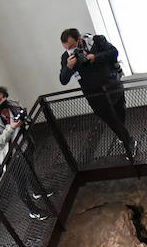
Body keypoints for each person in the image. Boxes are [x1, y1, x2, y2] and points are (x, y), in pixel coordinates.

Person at [58, 28, 139, 159]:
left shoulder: (97, 41)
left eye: (72, 46)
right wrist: (69, 67)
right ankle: (128, 141)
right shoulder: (66, 58)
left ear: (79, 40)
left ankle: (121, 135)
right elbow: (63, 80)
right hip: (94, 95)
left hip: (112, 85)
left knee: (120, 112)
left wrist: (95, 57)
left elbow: (114, 53)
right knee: (110, 119)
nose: (70, 51)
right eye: (67, 48)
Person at [0, 86, 53, 220]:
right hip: (10, 157)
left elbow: (24, 118)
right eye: (0, 100)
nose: (4, 100)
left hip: (25, 146)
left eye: (4, 96)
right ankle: (33, 210)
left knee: (31, 169)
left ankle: (38, 191)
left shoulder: (12, 105)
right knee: (20, 184)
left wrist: (23, 119)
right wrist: (12, 127)